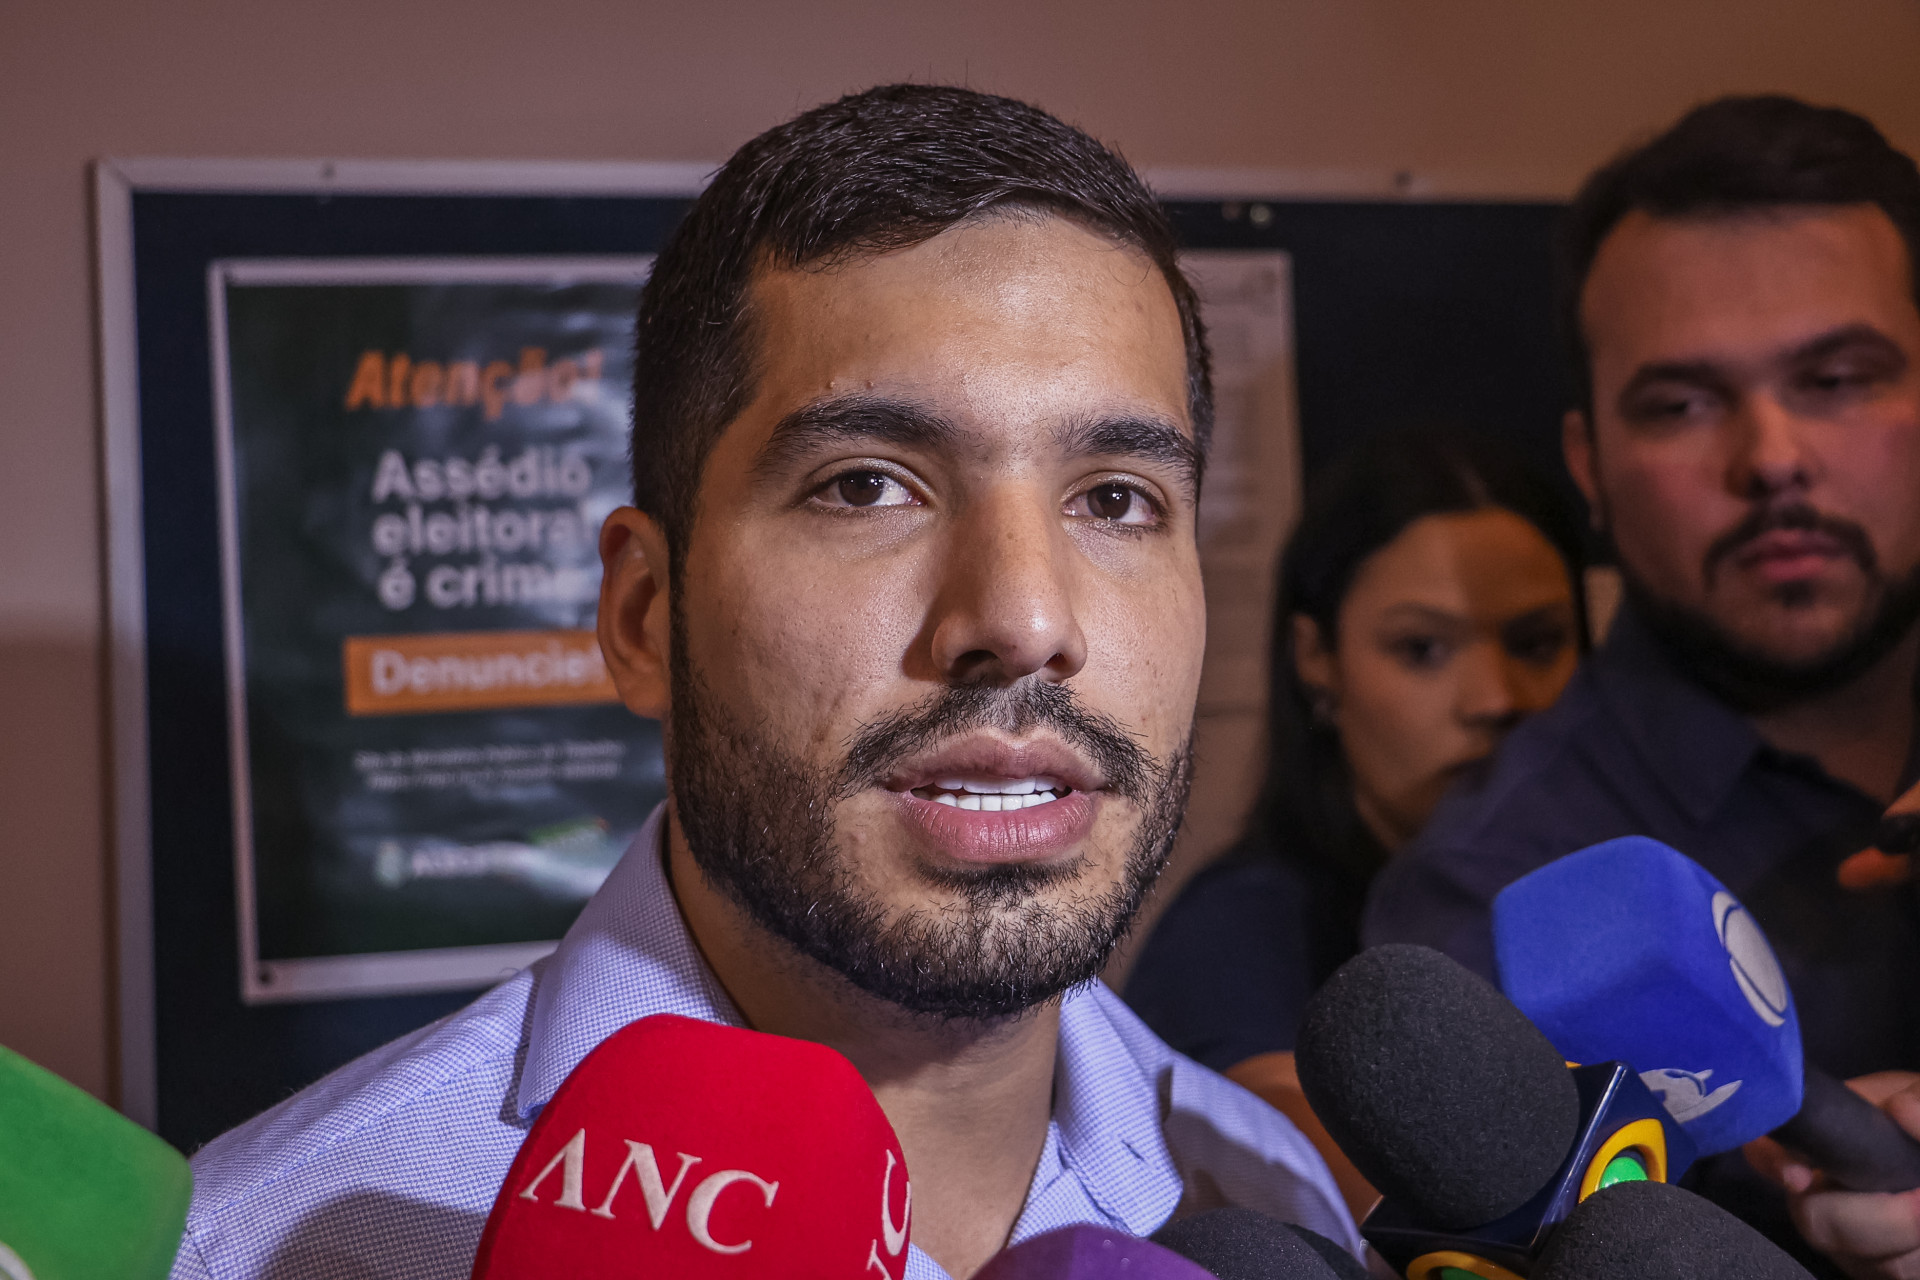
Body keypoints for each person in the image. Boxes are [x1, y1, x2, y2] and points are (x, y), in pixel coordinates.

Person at [168, 86, 1357, 1280]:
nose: (1024, 620)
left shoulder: (1274, 1192)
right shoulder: (260, 1244)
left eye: (1115, 499)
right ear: (643, 614)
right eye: (866, 485)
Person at [1363, 96, 1920, 1277]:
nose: (1770, 456)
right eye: (1682, 403)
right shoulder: (1490, 899)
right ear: (1592, 469)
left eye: (1836, 376)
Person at [1123, 427, 1585, 1212]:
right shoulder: (1243, 930)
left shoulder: (1600, 904)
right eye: (1424, 649)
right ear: (1317, 660)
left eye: (1538, 644)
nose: (1497, 698)